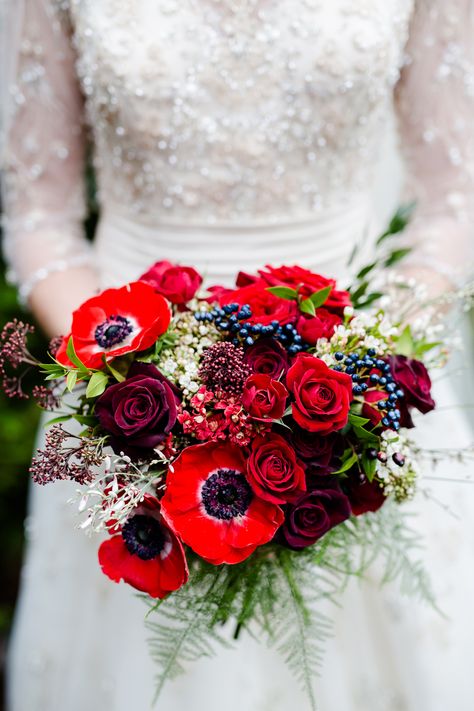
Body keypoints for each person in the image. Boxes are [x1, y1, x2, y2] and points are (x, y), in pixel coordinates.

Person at [1, 1, 473, 710]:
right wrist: (134, 379)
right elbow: (40, 215)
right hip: (127, 402)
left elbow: (452, 203)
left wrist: (358, 376)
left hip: (353, 388)